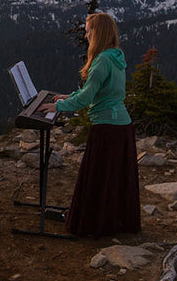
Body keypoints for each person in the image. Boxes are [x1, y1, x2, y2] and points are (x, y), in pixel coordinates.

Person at [39, 12, 140, 237]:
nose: (86, 35)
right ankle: (115, 222)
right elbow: (95, 92)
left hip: (107, 127)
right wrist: (68, 96)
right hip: (121, 125)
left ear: (99, 33)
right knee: (113, 177)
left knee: (98, 176)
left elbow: (86, 99)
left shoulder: (103, 60)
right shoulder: (116, 55)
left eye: (89, 31)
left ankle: (93, 224)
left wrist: (59, 107)